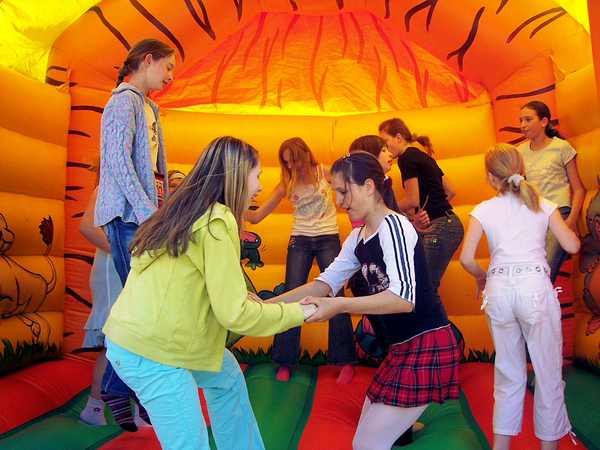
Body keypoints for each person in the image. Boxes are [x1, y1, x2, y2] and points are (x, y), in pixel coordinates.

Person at [102, 136, 317, 450]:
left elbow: (188, 281)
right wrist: (303, 312)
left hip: (143, 341)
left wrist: (235, 296)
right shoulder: (218, 219)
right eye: (257, 176)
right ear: (237, 176)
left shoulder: (186, 212)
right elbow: (235, 316)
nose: (259, 186)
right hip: (151, 353)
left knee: (226, 376)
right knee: (189, 444)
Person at [269, 151, 460, 450]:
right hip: (401, 349)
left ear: (369, 187)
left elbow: (403, 299)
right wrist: (266, 305)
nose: (339, 201)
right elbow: (323, 284)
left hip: (427, 343)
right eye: (336, 192)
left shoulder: (394, 227)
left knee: (367, 443)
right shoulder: (358, 237)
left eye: (344, 191)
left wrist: (341, 305)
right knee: (367, 437)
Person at [459, 144, 580, 450]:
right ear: (522, 169)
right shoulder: (543, 205)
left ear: (490, 177)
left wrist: (482, 276)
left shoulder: (483, 209)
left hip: (498, 291)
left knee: (508, 375)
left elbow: (466, 259)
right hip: (534, 289)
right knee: (547, 374)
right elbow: (572, 246)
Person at [94, 37, 175, 430]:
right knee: (141, 305)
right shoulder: (122, 102)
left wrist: (162, 210)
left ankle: (121, 387)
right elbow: (117, 161)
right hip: (128, 216)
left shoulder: (148, 107)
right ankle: (120, 388)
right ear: (148, 60)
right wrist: (148, 213)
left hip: (143, 216)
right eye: (168, 67)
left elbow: (153, 169)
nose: (170, 76)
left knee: (143, 306)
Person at [246, 137, 357, 383]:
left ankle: (346, 360)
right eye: (286, 163)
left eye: (294, 160)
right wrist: (233, 205)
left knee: (336, 294)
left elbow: (352, 192)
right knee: (292, 294)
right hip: (300, 240)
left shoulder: (326, 173)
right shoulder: (287, 183)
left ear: (306, 154)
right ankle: (284, 360)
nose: (291, 166)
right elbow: (257, 217)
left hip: (328, 237)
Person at [379, 118, 464, 298]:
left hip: (439, 226)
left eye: (386, 142)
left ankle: (433, 317)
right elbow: (450, 191)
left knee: (422, 285)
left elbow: (412, 199)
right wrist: (432, 208)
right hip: (450, 222)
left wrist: (386, 209)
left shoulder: (406, 158)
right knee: (427, 285)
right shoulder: (423, 156)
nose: (386, 149)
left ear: (399, 137)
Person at [518, 101, 585, 284]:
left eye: (528, 119)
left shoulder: (561, 147)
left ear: (544, 121)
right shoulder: (520, 151)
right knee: (533, 269)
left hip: (559, 213)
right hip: (534, 217)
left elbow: (578, 189)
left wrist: (571, 220)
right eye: (521, 120)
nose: (523, 125)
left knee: (545, 271)